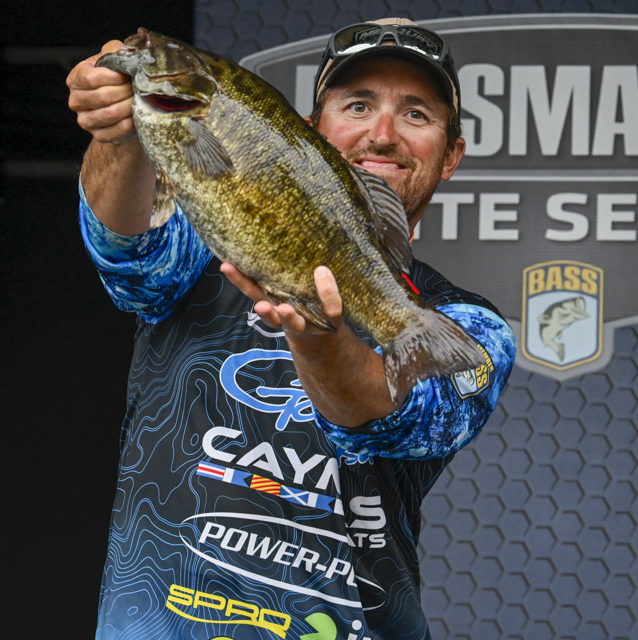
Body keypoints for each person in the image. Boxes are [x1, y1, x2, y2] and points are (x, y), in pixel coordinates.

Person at [66, 17, 516, 640]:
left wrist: (318, 335)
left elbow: (393, 417)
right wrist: (118, 131)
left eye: (416, 114)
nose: (383, 134)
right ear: (310, 129)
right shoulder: (201, 243)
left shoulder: (466, 328)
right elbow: (126, 255)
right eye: (357, 105)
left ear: (451, 156)